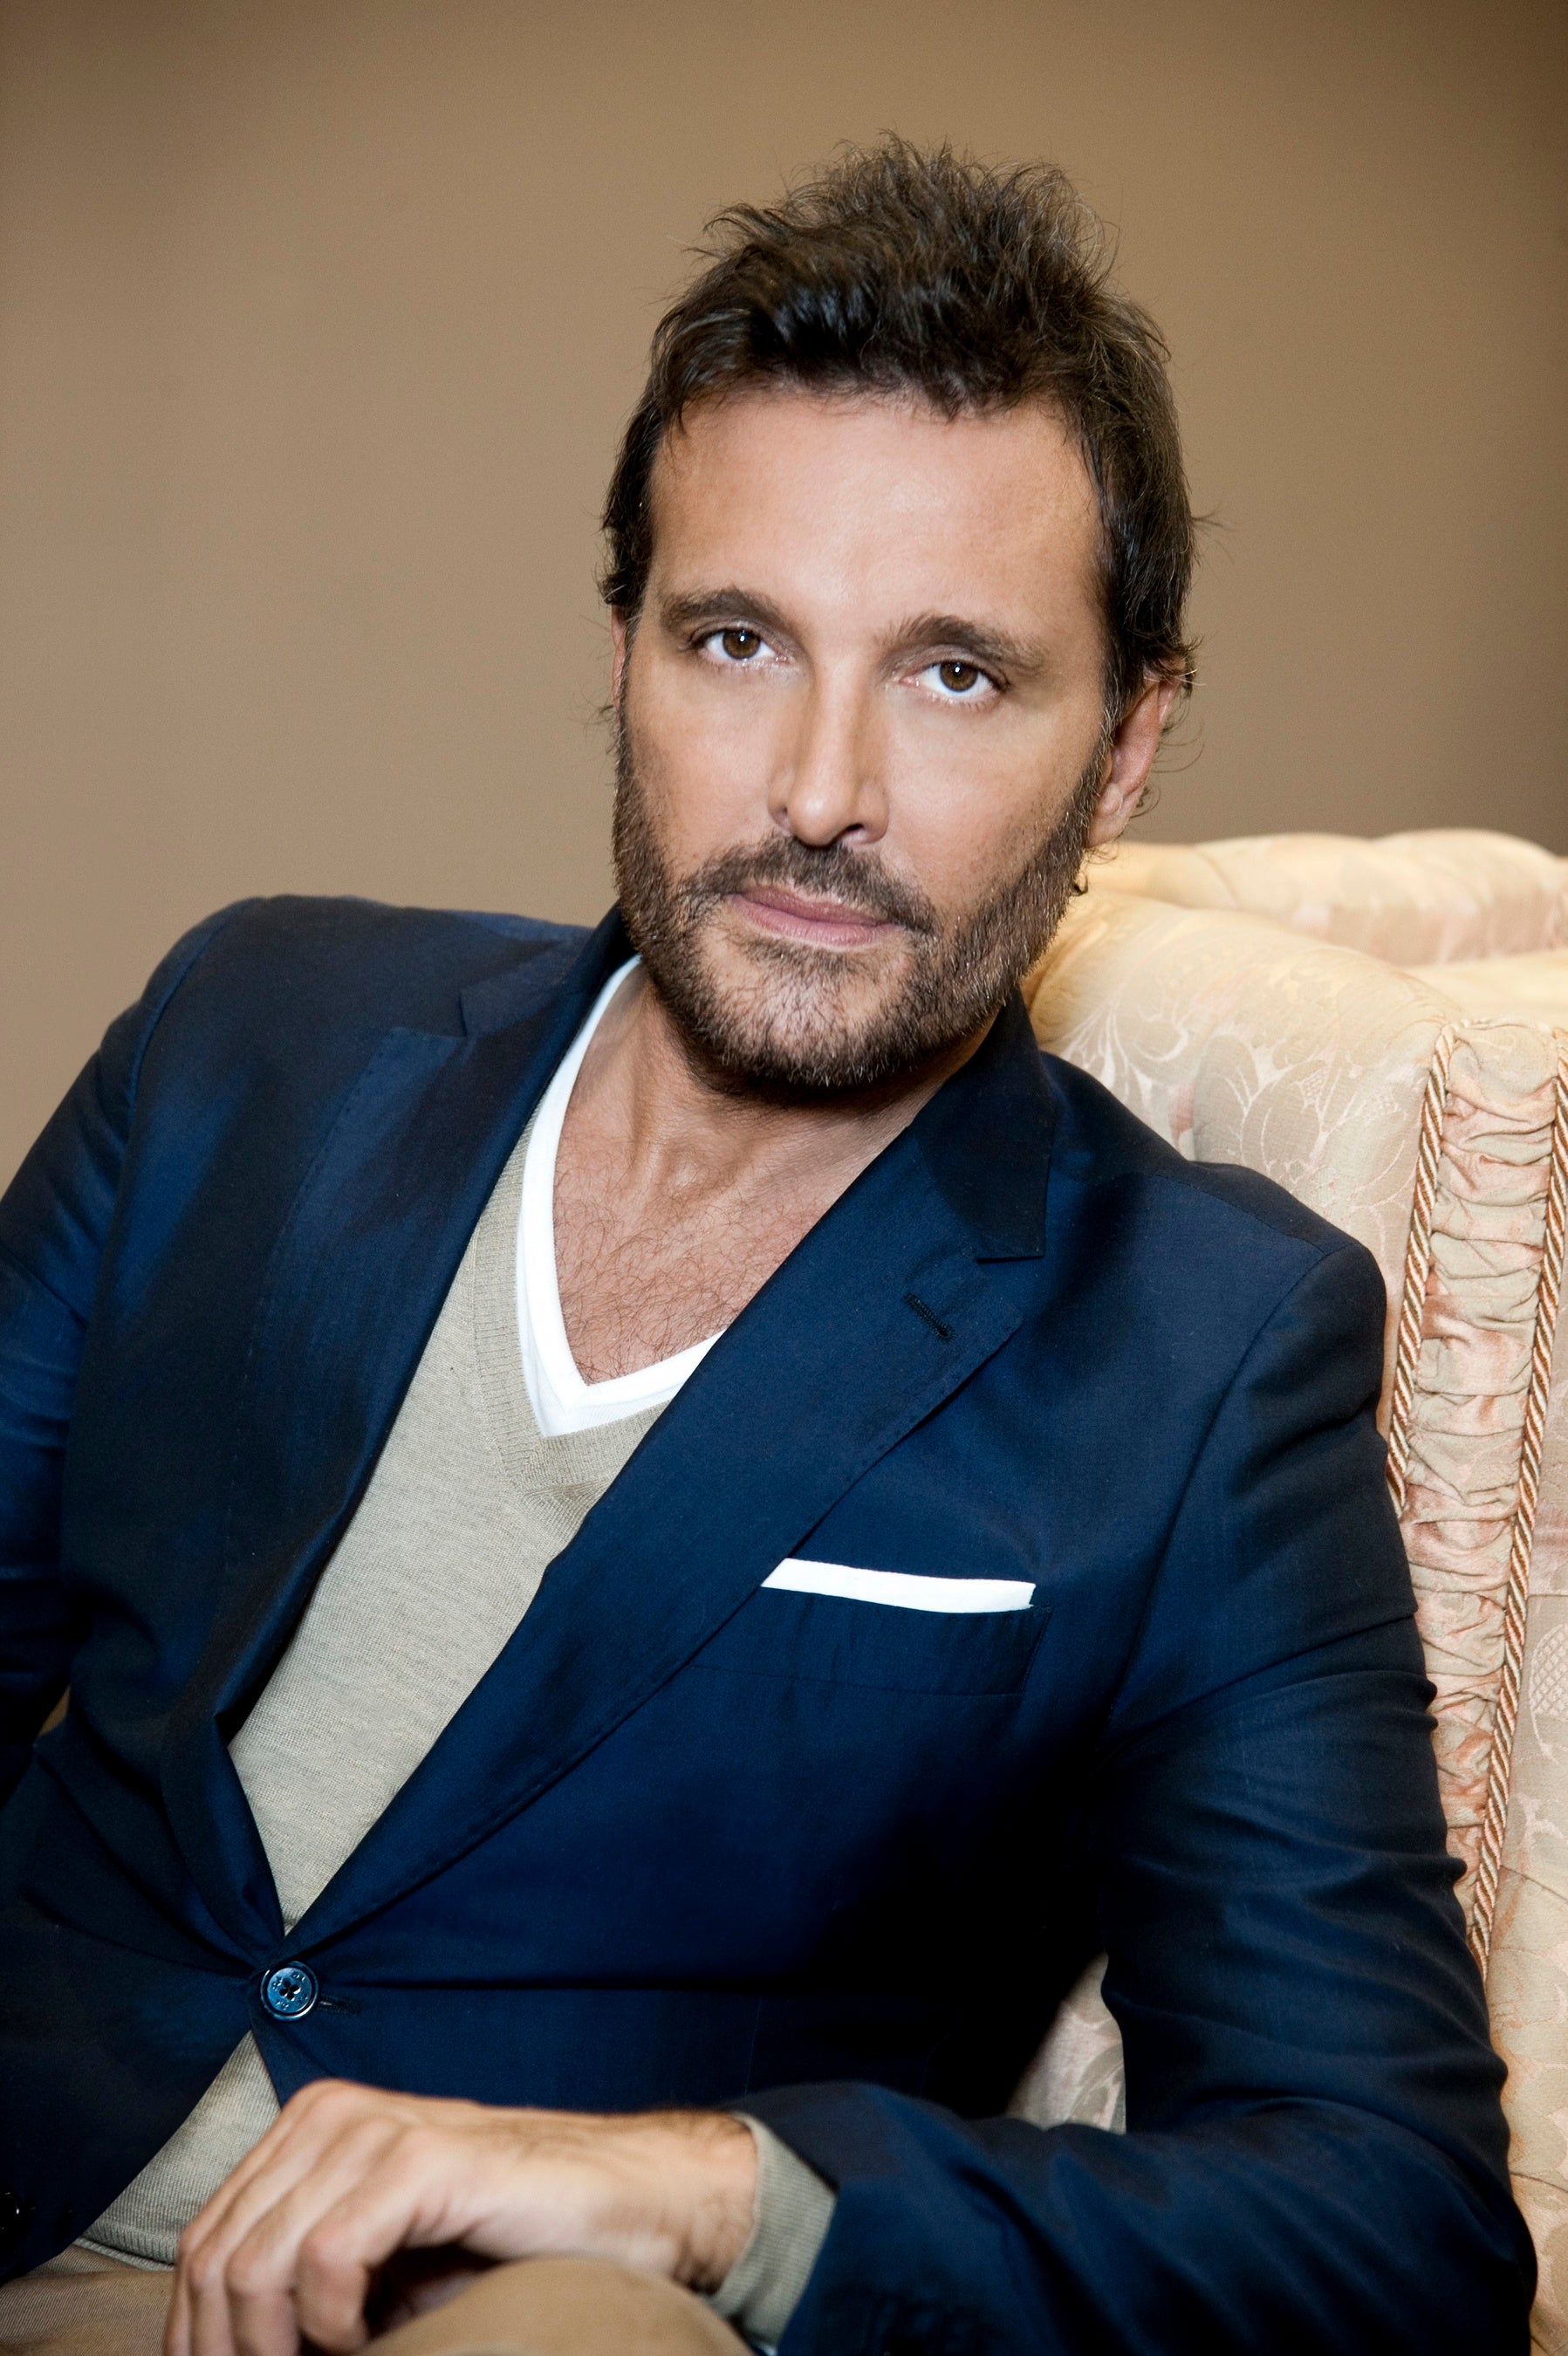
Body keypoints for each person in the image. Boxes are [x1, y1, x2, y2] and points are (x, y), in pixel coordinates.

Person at [0, 140, 1532, 2356]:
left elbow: (1390, 2220)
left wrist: (709, 2188)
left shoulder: (1202, 1355)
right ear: (623, 648)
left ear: (1124, 748)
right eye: (736, 642)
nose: (817, 792)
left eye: (954, 677)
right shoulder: (255, 1036)